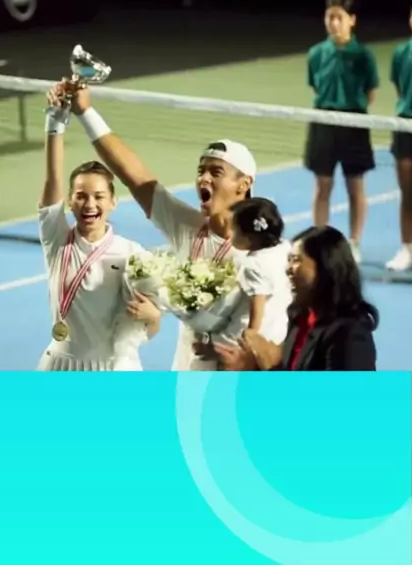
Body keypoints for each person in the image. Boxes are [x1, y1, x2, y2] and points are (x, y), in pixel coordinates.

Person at [52, 82, 257, 371]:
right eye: (201, 171)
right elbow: (135, 177)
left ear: (243, 184)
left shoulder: (261, 251)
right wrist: (85, 113)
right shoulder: (189, 227)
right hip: (186, 372)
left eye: (216, 172)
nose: (204, 179)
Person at [37, 86, 160, 371]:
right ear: (70, 201)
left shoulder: (132, 255)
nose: (89, 204)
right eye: (80, 196)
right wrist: (55, 121)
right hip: (59, 365)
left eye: (98, 196)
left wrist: (153, 316)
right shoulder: (57, 239)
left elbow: (146, 330)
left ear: (113, 202)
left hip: (109, 368)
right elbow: (52, 179)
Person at [217, 225, 378, 371]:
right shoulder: (299, 317)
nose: (288, 269)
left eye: (296, 260)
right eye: (289, 260)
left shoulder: (349, 334)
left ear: (325, 266)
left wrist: (270, 368)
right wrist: (253, 367)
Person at [305, 0, 379, 264]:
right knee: (322, 186)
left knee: (355, 186)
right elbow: (316, 86)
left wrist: (349, 109)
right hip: (324, 121)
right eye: (330, 17)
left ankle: (354, 243)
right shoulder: (316, 54)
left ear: (352, 20)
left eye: (339, 17)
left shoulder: (364, 55)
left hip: (354, 123)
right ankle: (319, 242)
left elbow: (371, 93)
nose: (334, 23)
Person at [213, 198, 291, 371]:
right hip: (280, 329)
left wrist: (250, 338)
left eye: (233, 230)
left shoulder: (253, 265)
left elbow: (258, 304)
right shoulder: (285, 248)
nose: (229, 234)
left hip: (254, 335)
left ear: (249, 238)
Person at [387, 10, 412, 271]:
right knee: (408, 192)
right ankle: (407, 248)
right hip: (405, 125)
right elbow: (400, 87)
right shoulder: (401, 53)